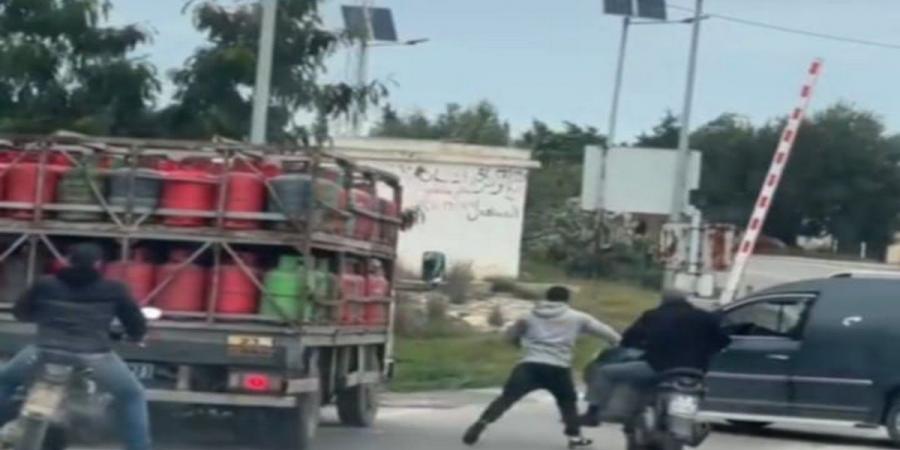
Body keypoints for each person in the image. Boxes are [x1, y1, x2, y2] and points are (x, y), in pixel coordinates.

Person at [0, 243, 151, 450]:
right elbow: (135, 323)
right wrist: (136, 336)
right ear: (99, 265)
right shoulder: (115, 289)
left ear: (67, 260)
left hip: (44, 351)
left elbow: (20, 313)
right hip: (94, 355)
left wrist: (44, 318)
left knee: (5, 382)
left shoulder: (45, 284)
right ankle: (139, 447)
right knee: (132, 395)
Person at [463, 286, 621, 448]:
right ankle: (574, 438)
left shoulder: (529, 316)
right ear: (567, 299)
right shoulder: (578, 317)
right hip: (558, 367)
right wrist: (617, 343)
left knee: (506, 398)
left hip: (530, 365)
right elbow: (607, 333)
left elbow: (510, 335)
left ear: (547, 298)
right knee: (567, 402)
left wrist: (517, 343)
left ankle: (481, 424)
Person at [581, 290, 731, 426]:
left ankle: (592, 413)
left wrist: (643, 345)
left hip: (657, 368)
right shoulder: (705, 317)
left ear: (663, 300)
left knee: (606, 371)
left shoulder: (653, 315)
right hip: (695, 371)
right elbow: (723, 342)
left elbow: (629, 339)